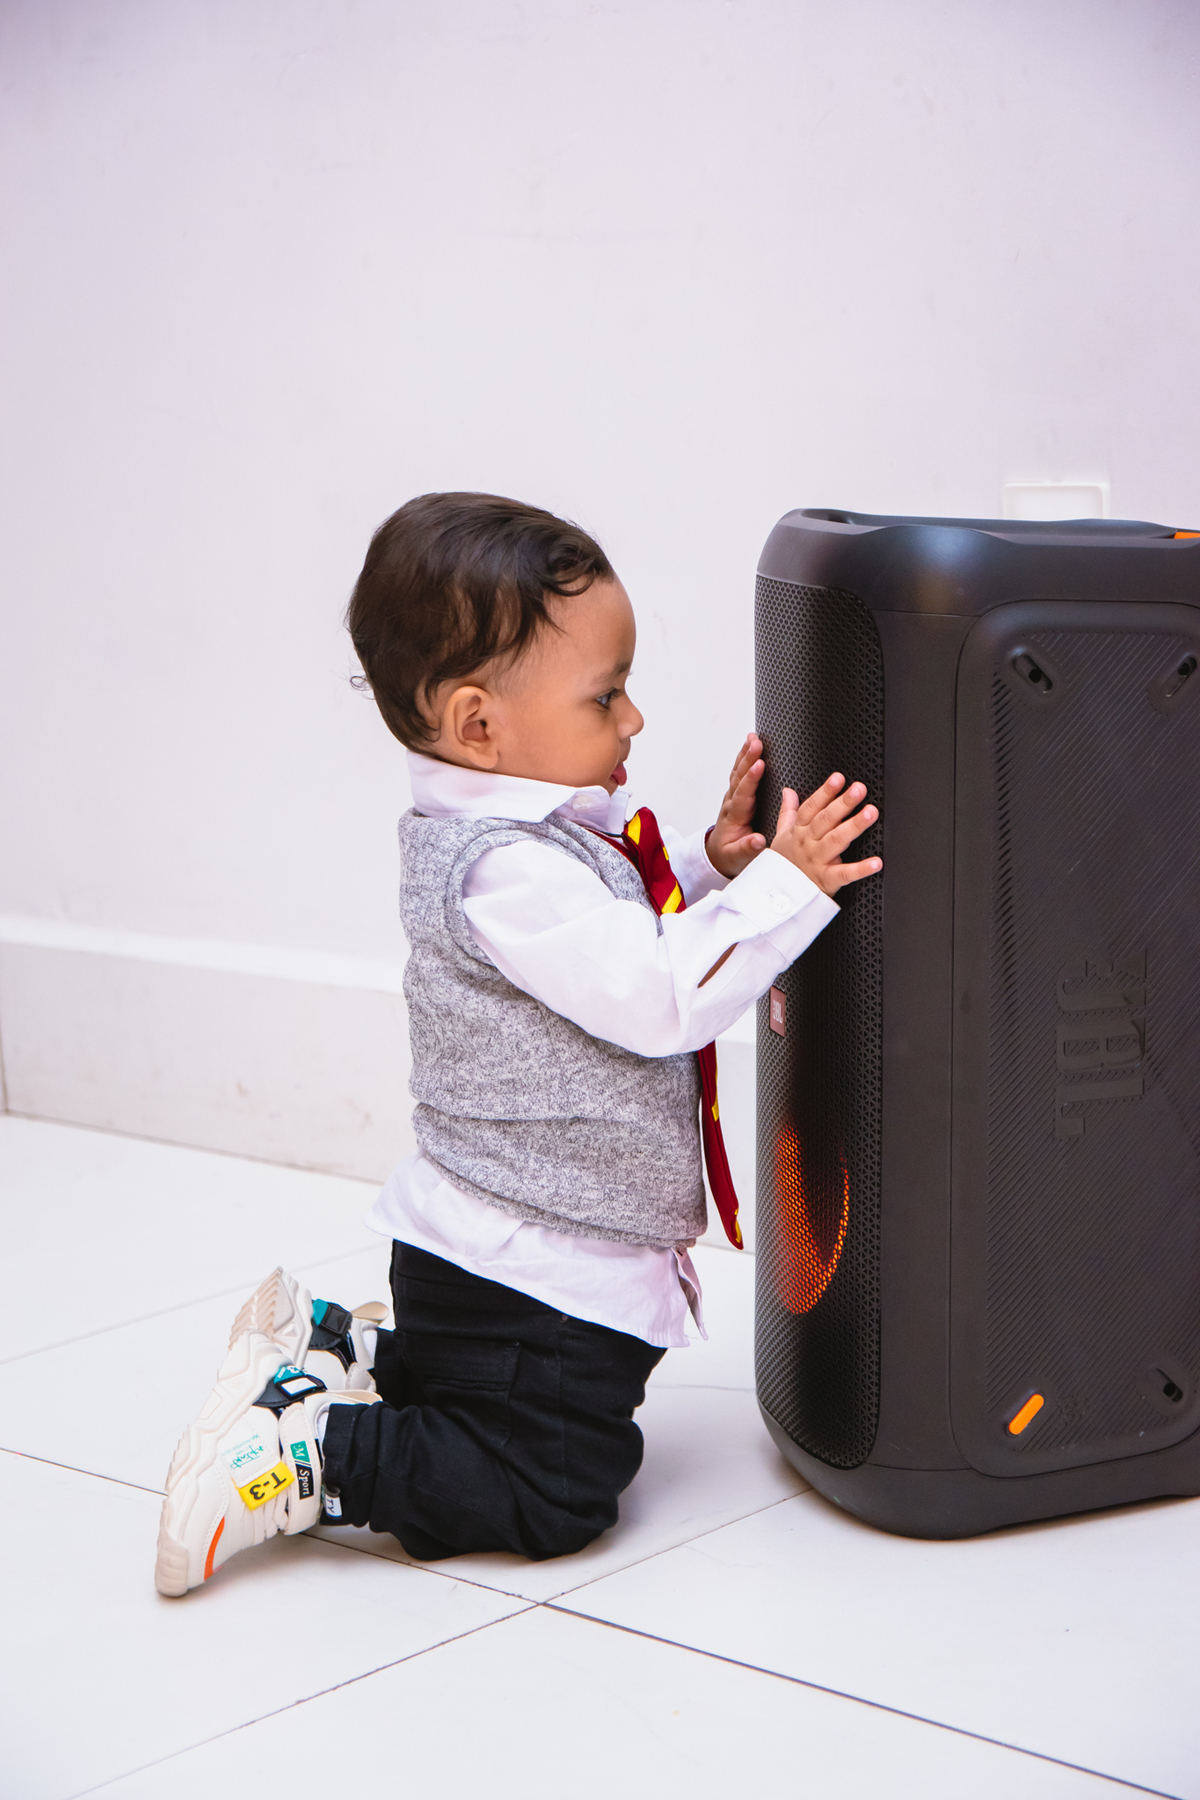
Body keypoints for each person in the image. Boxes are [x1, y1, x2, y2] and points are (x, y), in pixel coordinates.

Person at [154, 493, 881, 1595]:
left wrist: (716, 867)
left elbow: (614, 933)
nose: (634, 719)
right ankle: (305, 1458)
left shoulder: (522, 843)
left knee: (495, 1405)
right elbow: (655, 992)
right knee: (552, 1490)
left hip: (500, 1263)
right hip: (532, 1273)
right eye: (606, 694)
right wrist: (786, 887)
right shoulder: (502, 869)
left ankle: (347, 1356)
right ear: (480, 724)